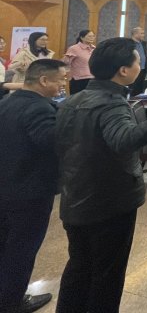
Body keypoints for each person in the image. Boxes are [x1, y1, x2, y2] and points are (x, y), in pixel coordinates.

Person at [54, 38, 147, 313]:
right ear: (123, 70)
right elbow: (123, 140)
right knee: (107, 275)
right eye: (137, 61)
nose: (140, 65)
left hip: (74, 196)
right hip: (108, 202)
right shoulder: (111, 104)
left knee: (78, 268)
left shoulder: (71, 101)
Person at [0, 60, 68, 313]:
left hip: (6, 186)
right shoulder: (40, 108)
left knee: (4, 245)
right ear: (44, 80)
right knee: (21, 251)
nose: (63, 85)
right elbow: (51, 144)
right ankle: (12, 303)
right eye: (60, 79)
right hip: (29, 193)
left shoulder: (7, 103)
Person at [62, 30, 96, 94]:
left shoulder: (94, 48)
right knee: (78, 99)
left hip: (92, 78)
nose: (92, 38)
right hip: (78, 79)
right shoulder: (74, 48)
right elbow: (66, 63)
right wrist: (67, 75)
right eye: (89, 36)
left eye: (93, 36)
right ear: (82, 37)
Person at [129, 26, 147, 96]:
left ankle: (139, 101)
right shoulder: (129, 43)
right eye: (142, 33)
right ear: (135, 34)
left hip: (143, 69)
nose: (143, 35)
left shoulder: (143, 43)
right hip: (133, 69)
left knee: (140, 88)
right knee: (133, 88)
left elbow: (145, 55)